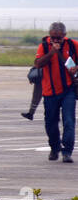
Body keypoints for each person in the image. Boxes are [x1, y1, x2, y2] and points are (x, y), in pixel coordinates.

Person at [33, 22, 78, 163]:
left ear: (64, 36)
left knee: (69, 121)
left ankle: (67, 152)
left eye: (59, 38)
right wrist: (52, 52)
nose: (56, 40)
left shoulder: (73, 45)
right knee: (51, 123)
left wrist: (76, 68)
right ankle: (55, 147)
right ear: (50, 35)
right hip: (49, 92)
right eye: (53, 37)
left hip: (68, 90)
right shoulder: (44, 46)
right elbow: (38, 64)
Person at [22, 36, 44, 120]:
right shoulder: (47, 49)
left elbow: (36, 63)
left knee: (36, 96)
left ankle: (31, 113)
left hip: (41, 78)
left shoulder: (45, 48)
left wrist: (32, 77)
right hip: (41, 77)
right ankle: (31, 113)